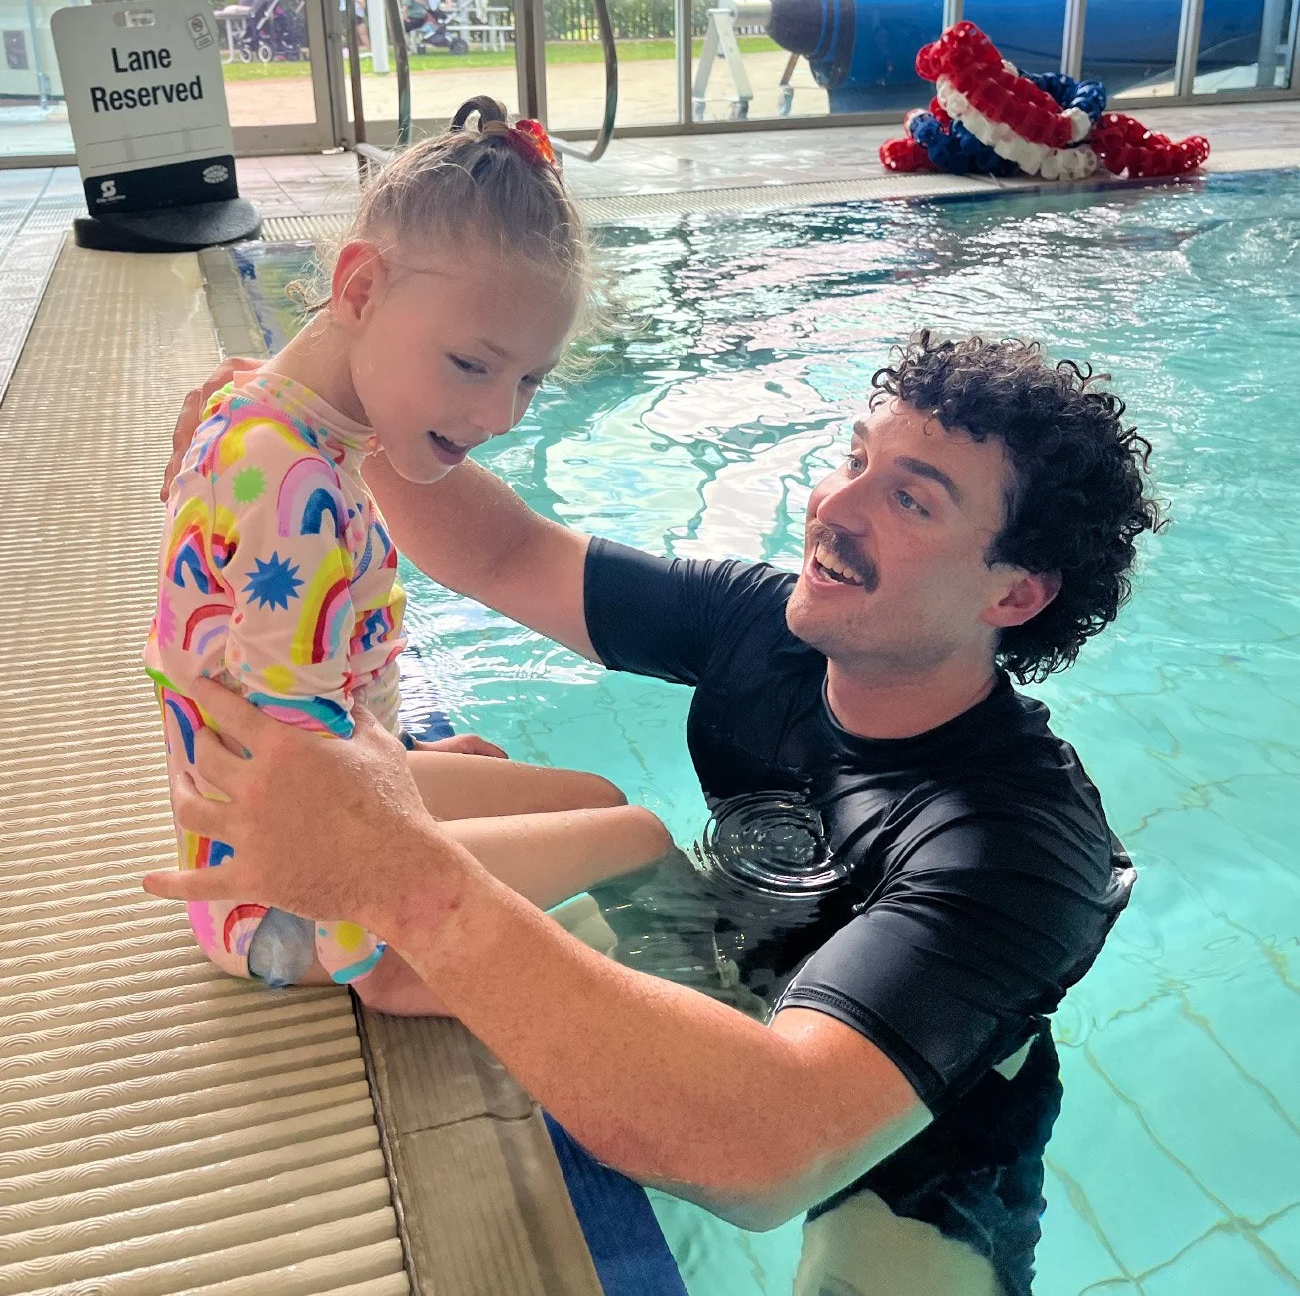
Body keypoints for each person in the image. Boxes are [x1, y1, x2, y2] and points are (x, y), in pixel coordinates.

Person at [150, 331, 1163, 1295]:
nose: (836, 509)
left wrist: (411, 887)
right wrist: (336, 418)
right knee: (598, 828)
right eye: (856, 457)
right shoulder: (767, 627)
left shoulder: (1018, 846)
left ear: (1014, 597)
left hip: (908, 1122)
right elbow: (508, 555)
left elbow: (767, 1150)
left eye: (911, 501)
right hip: (733, 943)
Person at [144, 96, 671, 1017]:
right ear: (358, 290)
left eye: (529, 380)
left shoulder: (270, 415)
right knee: (642, 837)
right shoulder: (293, 488)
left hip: (315, 814)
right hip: (282, 899)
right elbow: (294, 764)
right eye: (473, 364)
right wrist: (383, 946)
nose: (503, 414)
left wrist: (402, 754)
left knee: (591, 793)